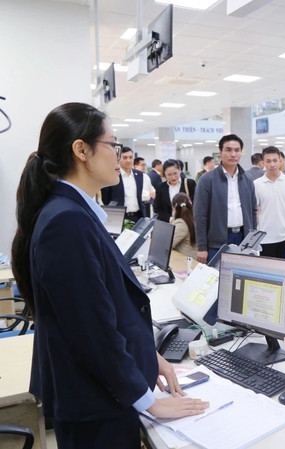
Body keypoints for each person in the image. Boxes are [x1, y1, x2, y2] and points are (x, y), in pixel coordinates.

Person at [10, 103, 208, 449]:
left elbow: (102, 308)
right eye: (113, 145)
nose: (120, 156)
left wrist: (149, 357)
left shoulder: (72, 212)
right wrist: (148, 402)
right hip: (95, 404)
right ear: (81, 150)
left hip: (98, 394)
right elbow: (92, 331)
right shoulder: (66, 221)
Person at [194, 134, 257, 263]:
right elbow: (200, 215)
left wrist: (253, 240)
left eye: (237, 150)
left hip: (243, 240)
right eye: (228, 150)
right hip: (217, 242)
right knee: (217, 275)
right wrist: (201, 247)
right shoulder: (207, 180)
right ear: (220, 152)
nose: (233, 154)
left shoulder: (247, 179)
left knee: (240, 274)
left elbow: (253, 210)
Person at [254, 146, 285, 258]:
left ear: (280, 161)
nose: (272, 164)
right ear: (263, 162)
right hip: (265, 238)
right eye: (268, 161)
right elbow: (256, 211)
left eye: (275, 160)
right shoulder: (256, 184)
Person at [100, 146, 150, 223]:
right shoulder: (112, 175)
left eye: (130, 157)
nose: (128, 160)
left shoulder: (139, 175)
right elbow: (106, 199)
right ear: (119, 159)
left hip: (138, 216)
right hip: (119, 217)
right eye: (125, 158)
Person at [170, 192, 198, 259]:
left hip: (186, 261)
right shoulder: (193, 219)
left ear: (174, 209)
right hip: (192, 259)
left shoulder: (181, 224)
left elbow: (167, 245)